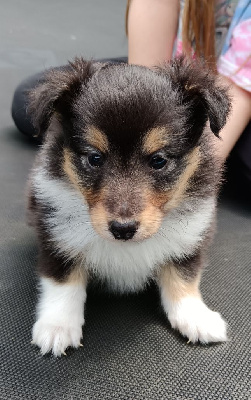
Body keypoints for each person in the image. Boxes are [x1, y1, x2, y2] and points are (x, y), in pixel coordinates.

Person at [12, 0, 251, 194]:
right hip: (176, 75)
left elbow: (240, 88)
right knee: (30, 100)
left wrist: (190, 179)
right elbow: (152, 13)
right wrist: (143, 111)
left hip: (240, 92)